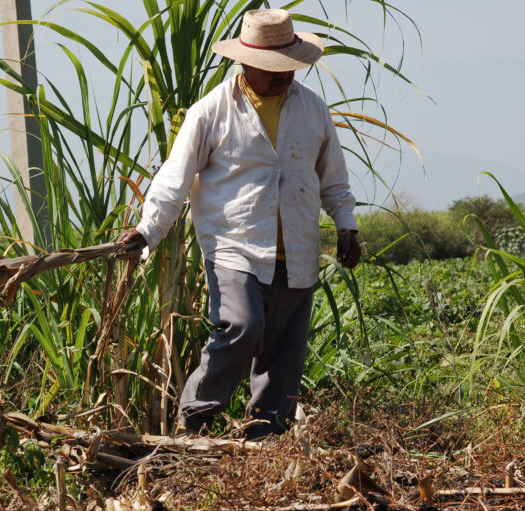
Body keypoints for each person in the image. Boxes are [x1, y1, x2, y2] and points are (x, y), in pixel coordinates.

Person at [119, 9, 361, 440]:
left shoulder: (312, 110)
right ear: (246, 62)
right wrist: (147, 231)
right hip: (234, 246)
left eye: (288, 66)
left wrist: (347, 226)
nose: (282, 75)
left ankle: (265, 437)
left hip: (298, 247)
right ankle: (194, 417)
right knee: (242, 326)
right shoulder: (211, 111)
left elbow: (333, 179)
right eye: (272, 68)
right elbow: (175, 179)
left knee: (285, 351)